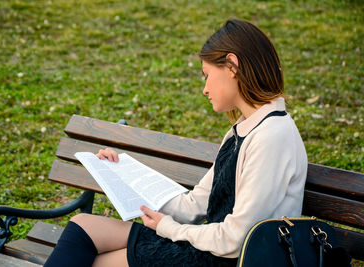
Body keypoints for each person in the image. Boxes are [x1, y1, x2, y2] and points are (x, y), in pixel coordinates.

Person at [44, 18, 307, 267]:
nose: (205, 88)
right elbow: (193, 207)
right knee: (83, 225)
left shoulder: (273, 137)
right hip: (207, 246)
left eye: (207, 74)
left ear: (232, 66)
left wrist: (170, 229)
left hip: (228, 259)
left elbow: (236, 239)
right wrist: (120, 174)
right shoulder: (244, 130)